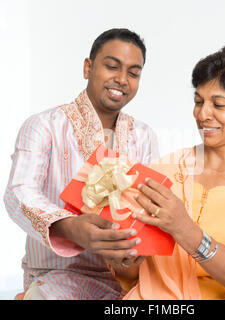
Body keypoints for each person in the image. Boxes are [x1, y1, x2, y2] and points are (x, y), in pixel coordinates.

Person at [108, 45, 225, 300]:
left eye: (218, 104)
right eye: (198, 102)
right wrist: (125, 259)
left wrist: (185, 229)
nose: (202, 114)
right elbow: (128, 274)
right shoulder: (163, 170)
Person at [3, 28, 159, 300]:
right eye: (112, 66)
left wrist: (133, 254)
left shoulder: (144, 136)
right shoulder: (43, 126)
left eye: (133, 73)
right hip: (55, 278)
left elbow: (145, 214)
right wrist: (68, 227)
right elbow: (18, 193)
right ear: (88, 67)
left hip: (123, 282)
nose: (122, 79)